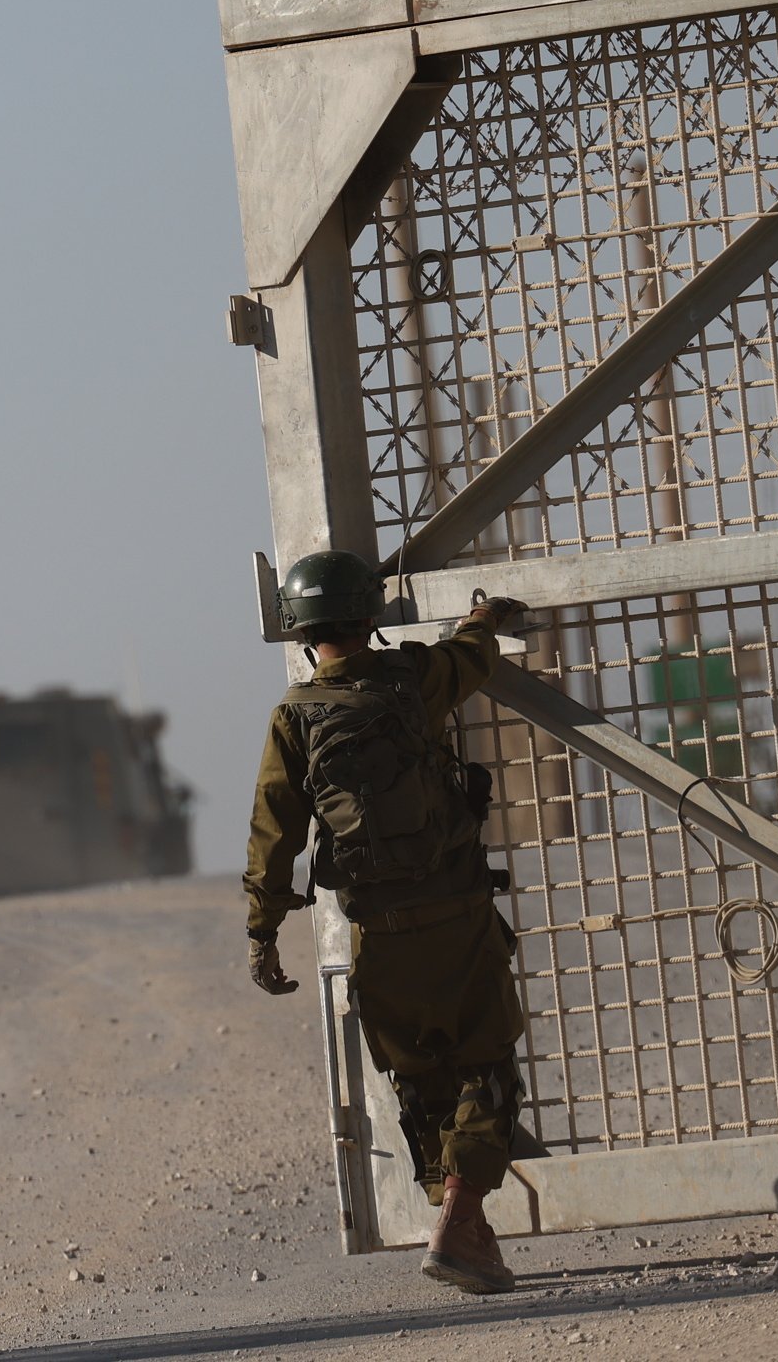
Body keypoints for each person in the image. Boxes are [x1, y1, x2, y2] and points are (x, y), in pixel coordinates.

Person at [241, 550, 532, 1295]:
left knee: (422, 1081)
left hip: (380, 935)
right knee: (486, 1068)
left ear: (298, 631)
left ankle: (467, 1230)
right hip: (459, 921)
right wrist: (485, 616)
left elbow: (273, 834)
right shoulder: (413, 680)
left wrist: (262, 932)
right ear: (371, 615)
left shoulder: (294, 717)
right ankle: (461, 1221)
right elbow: (472, 656)